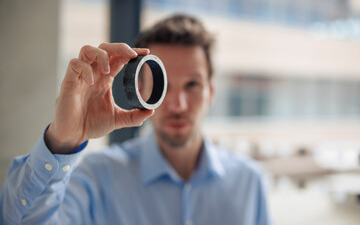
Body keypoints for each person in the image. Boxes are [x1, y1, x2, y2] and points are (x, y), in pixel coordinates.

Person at [0, 14, 273, 225]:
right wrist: (62, 141)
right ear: (140, 90)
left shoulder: (249, 181)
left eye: (192, 85)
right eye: (163, 86)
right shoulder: (99, 176)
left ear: (211, 91)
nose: (178, 105)